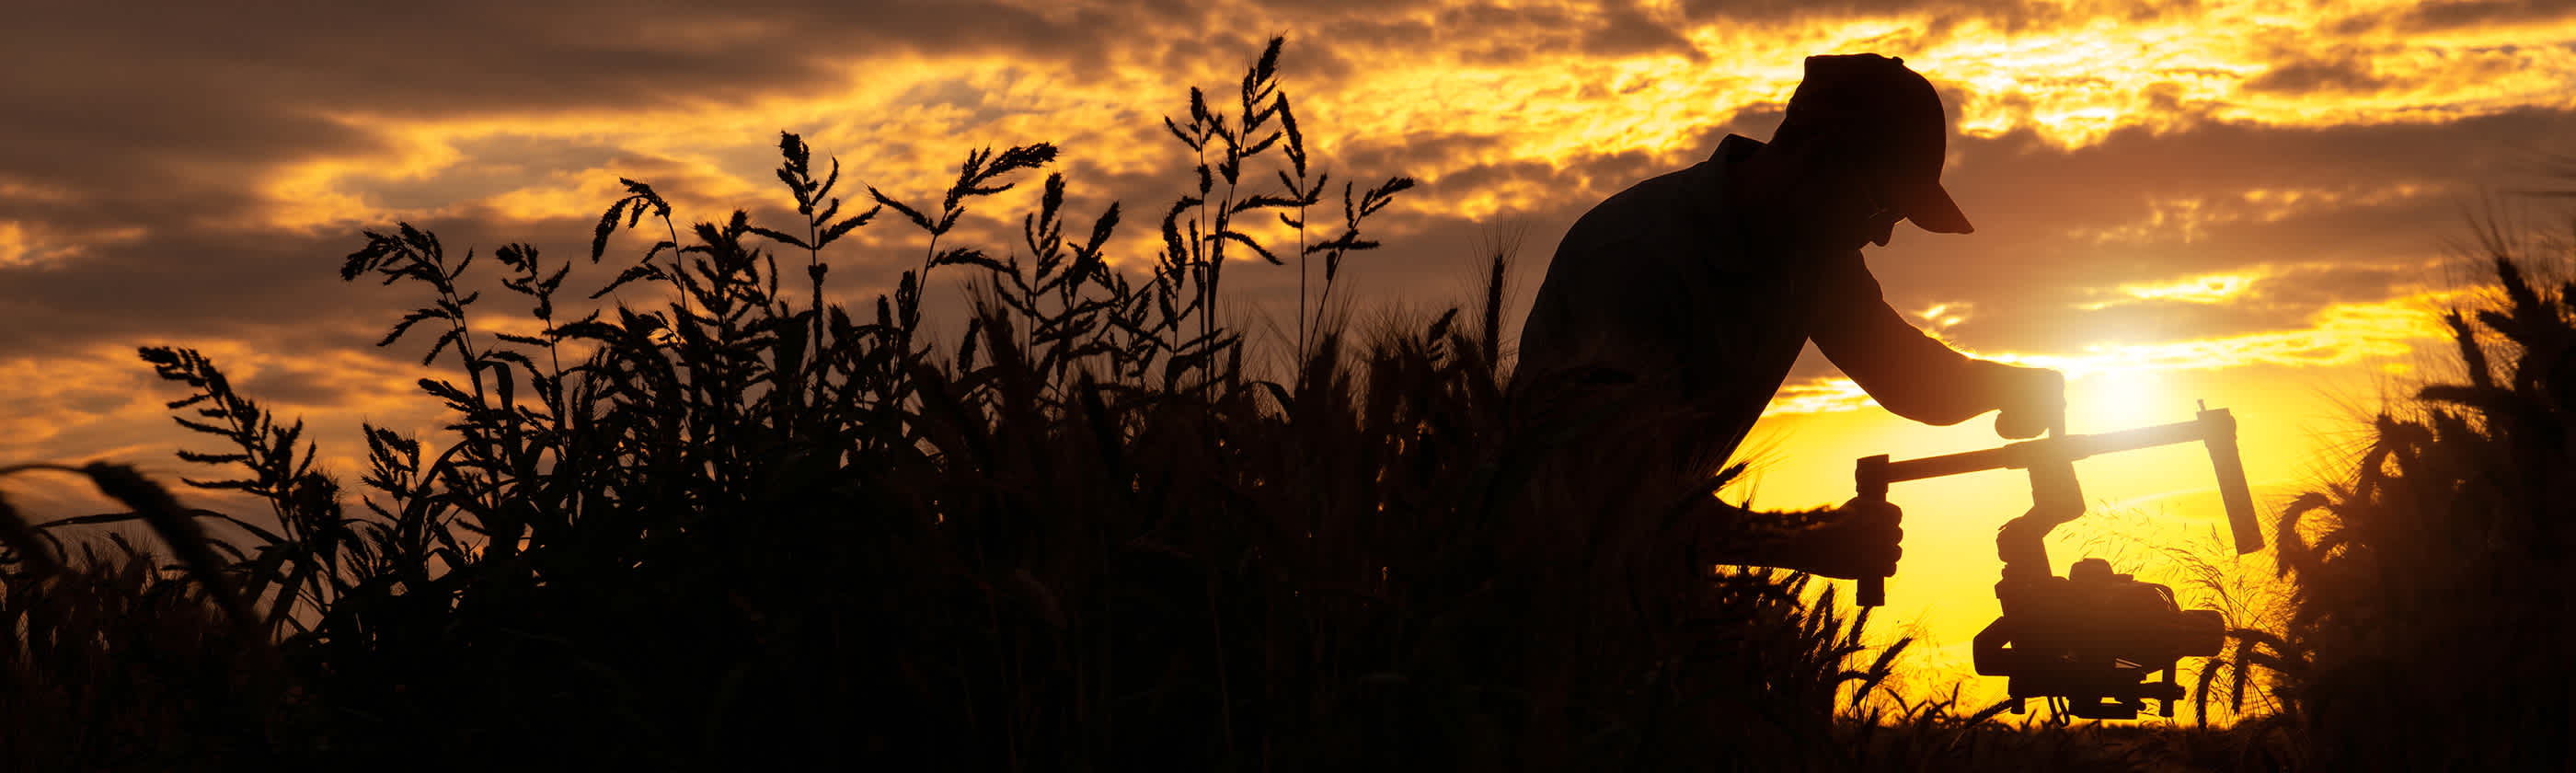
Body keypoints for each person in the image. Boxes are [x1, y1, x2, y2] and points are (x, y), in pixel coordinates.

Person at [1511, 53, 2066, 584]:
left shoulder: (1813, 254)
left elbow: (1905, 375)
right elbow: (1612, 497)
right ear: (1816, 157)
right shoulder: (1636, 257)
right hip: (1535, 589)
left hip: (1640, 582)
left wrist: (2008, 385)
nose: (1882, 235)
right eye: (1881, 208)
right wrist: (1806, 540)